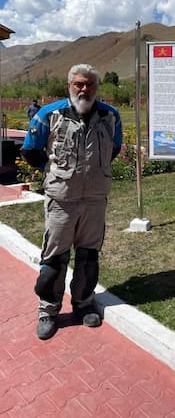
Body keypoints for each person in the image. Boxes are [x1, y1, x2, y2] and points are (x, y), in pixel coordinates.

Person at [21, 64, 123, 340]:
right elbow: (30, 150)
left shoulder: (110, 116)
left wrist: (92, 175)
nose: (84, 89)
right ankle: (48, 310)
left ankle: (83, 303)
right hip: (61, 199)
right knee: (54, 259)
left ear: (96, 87)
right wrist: (55, 172)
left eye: (89, 84)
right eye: (78, 84)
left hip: (94, 199)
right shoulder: (48, 114)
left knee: (89, 255)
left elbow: (114, 149)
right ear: (69, 85)